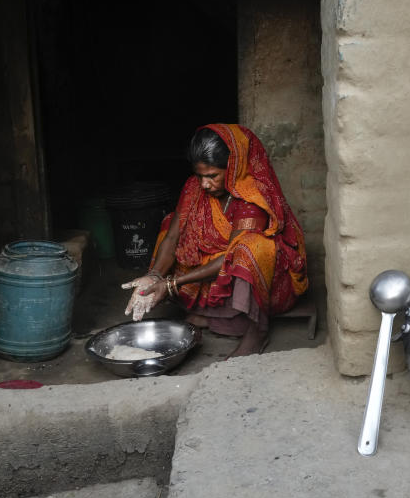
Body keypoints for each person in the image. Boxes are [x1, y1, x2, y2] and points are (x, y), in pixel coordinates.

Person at [122, 123, 308, 357]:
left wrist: (171, 285)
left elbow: (229, 259)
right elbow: (173, 236)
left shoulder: (252, 198)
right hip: (215, 273)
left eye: (212, 176)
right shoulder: (194, 188)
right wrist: (155, 275)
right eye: (199, 175)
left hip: (261, 280)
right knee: (171, 223)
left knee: (250, 249)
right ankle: (214, 314)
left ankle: (257, 331)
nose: (204, 184)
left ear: (232, 168)